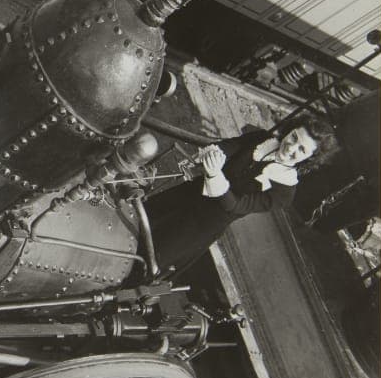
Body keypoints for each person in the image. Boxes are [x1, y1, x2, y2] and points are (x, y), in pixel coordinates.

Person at [144, 116, 339, 277]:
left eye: (302, 149)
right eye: (294, 137)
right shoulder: (262, 139)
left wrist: (214, 174)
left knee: (151, 258)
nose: (291, 148)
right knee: (139, 217)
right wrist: (215, 152)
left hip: (201, 224)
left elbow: (236, 205)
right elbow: (231, 145)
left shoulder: (284, 191)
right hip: (188, 193)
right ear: (290, 130)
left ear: (310, 159)